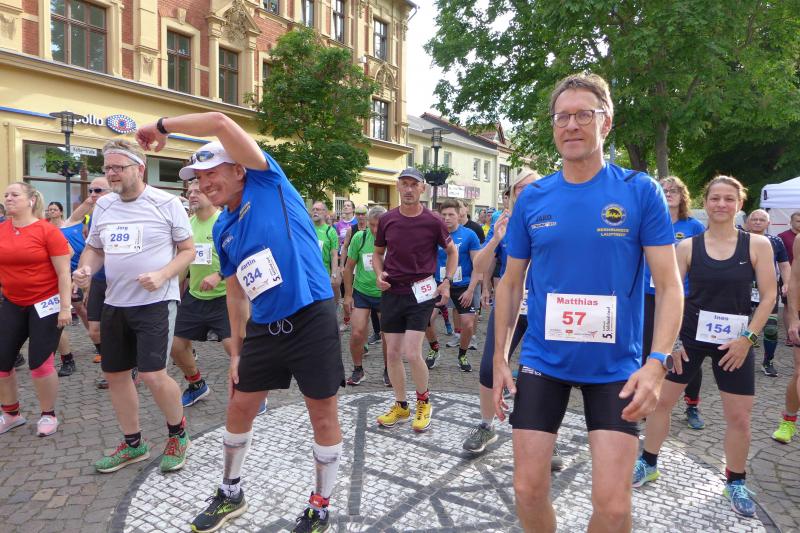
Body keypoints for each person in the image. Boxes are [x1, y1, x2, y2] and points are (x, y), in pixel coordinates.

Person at [135, 112, 345, 533]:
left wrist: (162, 127)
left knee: (322, 414)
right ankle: (230, 491)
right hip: (264, 327)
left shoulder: (268, 183)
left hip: (311, 317)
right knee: (239, 406)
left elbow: (219, 121)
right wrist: (237, 349)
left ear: (238, 169)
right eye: (198, 178)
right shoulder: (224, 227)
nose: (203, 183)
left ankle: (320, 505)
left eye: (212, 173)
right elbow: (235, 291)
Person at [493, 73, 683, 532]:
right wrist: (499, 358)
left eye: (584, 114)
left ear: (606, 122)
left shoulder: (639, 191)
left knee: (614, 508)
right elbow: (510, 282)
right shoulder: (535, 198)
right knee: (527, 489)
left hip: (616, 368)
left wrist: (657, 363)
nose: (572, 125)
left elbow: (670, 285)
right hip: (544, 361)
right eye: (562, 117)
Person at [634, 176, 775, 518]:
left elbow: (770, 295)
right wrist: (672, 341)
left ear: (739, 204)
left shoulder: (757, 245)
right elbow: (670, 294)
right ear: (705, 202)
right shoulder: (687, 246)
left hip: (735, 342)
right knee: (660, 403)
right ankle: (648, 462)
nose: (721, 204)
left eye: (729, 199)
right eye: (715, 198)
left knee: (739, 417)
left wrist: (748, 339)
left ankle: (735, 481)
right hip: (690, 339)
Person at [73, 139, 194, 474]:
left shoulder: (166, 203)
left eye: (118, 167)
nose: (111, 173)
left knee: (153, 374)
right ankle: (133, 443)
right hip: (115, 302)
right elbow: (95, 249)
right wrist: (86, 270)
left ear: (139, 168)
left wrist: (163, 274)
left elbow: (187, 250)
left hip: (155, 302)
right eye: (107, 167)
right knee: (115, 374)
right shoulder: (105, 206)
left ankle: (178, 434)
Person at [462, 171, 544, 457]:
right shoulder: (505, 222)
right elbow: (479, 266)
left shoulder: (554, 219)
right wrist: (496, 239)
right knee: (489, 367)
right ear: (511, 193)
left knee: (543, 372)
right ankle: (486, 425)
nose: (526, 192)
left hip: (544, 306)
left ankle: (547, 435)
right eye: (520, 188)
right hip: (510, 303)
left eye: (532, 187)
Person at [373, 167, 457, 432]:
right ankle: (401, 406)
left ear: (423, 188)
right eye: (404, 184)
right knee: (392, 353)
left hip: (421, 292)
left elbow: (452, 252)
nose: (408, 189)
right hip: (392, 292)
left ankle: (423, 402)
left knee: (411, 352)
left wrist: (447, 281)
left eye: (413, 184)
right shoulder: (387, 219)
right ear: (398, 186)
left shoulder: (433, 221)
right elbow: (377, 253)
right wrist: (378, 273)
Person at [0, 182, 71, 436]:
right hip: (13, 302)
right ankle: (11, 414)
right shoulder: (2, 230)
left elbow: (64, 273)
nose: (8, 198)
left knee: (40, 364)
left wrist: (65, 308)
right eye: (6, 195)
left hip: (45, 304)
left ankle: (48, 414)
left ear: (30, 200)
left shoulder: (47, 231)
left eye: (14, 195)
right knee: (2, 362)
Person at [641, 176, 706, 430]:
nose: (668, 193)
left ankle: (692, 404)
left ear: (683, 195)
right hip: (648, 294)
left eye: (674, 190)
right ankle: (645, 398)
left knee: (688, 353)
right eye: (663, 189)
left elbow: (703, 263)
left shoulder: (694, 226)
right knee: (648, 348)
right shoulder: (647, 221)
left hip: (683, 296)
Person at [170, 180, 240, 409]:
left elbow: (240, 257)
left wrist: (219, 275)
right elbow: (183, 265)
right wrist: (170, 289)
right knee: (175, 345)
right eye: (189, 191)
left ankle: (252, 391)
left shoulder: (224, 222)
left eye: (197, 191)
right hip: (195, 297)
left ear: (211, 194)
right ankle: (196, 385)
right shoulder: (187, 226)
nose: (192, 195)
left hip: (225, 296)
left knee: (234, 347)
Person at [427, 199, 481, 372]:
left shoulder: (469, 235)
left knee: (468, 324)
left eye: (451, 214)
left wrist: (471, 290)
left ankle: (462, 355)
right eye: (443, 215)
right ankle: (434, 349)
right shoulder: (434, 235)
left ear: (459, 215)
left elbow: (478, 266)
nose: (447, 218)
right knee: (425, 319)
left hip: (462, 285)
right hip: (439, 284)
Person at [343, 205, 388, 385]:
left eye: (379, 225)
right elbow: (349, 268)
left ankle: (389, 370)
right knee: (357, 333)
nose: (375, 229)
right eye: (372, 225)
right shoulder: (359, 238)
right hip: (362, 292)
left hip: (385, 294)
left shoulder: (394, 240)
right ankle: (358, 370)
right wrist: (348, 295)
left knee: (387, 335)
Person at [747, 209, 790, 377]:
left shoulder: (776, 241)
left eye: (761, 219)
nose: (757, 222)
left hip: (768, 290)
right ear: (748, 222)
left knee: (771, 329)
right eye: (754, 219)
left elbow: (784, 265)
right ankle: (741, 360)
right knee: (742, 327)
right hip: (742, 289)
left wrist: (787, 283)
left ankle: (768, 362)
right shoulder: (739, 238)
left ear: (768, 223)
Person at [311, 201, 340, 294]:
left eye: (318, 209)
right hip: (308, 273)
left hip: (323, 274)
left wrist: (334, 274)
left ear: (324, 212)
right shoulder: (308, 229)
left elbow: (334, 255)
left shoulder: (330, 231)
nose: (315, 211)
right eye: (313, 209)